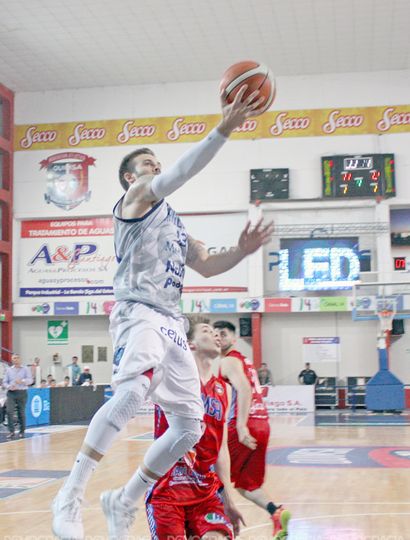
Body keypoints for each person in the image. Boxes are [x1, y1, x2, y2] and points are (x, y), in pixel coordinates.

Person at [52, 86, 273, 540]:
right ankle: (70, 495)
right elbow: (178, 174)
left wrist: (244, 250)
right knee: (132, 394)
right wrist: (224, 129)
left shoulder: (175, 222)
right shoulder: (134, 204)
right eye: (147, 164)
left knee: (190, 427)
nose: (155, 166)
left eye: (156, 161)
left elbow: (210, 264)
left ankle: (125, 498)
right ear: (129, 179)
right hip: (138, 312)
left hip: (172, 321)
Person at [146, 316, 244, 539]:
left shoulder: (224, 390)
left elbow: (221, 449)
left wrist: (228, 497)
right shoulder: (170, 376)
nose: (216, 335)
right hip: (168, 489)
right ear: (191, 344)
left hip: (205, 491)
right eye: (208, 331)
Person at [213, 321, 290, 539]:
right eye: (215, 333)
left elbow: (244, 389)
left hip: (245, 423)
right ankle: (277, 513)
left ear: (234, 339)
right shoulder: (244, 360)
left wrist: (241, 425)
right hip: (262, 423)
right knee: (246, 484)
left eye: (224, 334)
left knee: (213, 470)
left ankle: (218, 525)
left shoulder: (228, 361)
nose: (219, 337)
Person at [3, 354, 33, 439]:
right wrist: (9, 386)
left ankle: (22, 431)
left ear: (20, 359)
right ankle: (11, 431)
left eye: (16, 358)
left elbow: (30, 380)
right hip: (11, 393)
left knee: (21, 412)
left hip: (22, 392)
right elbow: (4, 382)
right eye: (13, 358)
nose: (15, 360)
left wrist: (22, 381)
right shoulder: (9, 370)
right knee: (9, 411)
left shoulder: (26, 369)